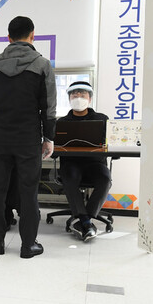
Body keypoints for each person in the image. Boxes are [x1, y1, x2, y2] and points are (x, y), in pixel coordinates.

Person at [0, 16, 55, 258]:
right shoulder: (42, 65)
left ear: (8, 37)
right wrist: (49, 138)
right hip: (28, 139)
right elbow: (49, 108)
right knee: (28, 192)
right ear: (32, 35)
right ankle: (28, 245)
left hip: (1, 138)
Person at [55, 81, 111, 241]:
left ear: (90, 99)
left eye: (82, 95)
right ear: (69, 98)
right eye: (74, 95)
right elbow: (55, 146)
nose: (78, 98)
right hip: (71, 164)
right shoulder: (61, 122)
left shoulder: (102, 119)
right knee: (69, 178)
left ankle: (84, 219)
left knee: (105, 179)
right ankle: (86, 222)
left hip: (95, 163)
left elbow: (110, 142)